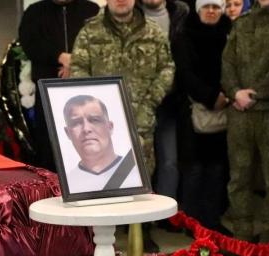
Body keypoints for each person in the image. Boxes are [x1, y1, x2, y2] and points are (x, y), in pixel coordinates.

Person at [69, 0, 175, 180]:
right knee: (101, 181)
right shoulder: (90, 32)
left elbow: (167, 68)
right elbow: (78, 68)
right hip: (100, 126)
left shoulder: (153, 31)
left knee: (140, 182)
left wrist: (149, 105)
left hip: (140, 124)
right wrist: (94, 107)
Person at [222, 0, 269, 243]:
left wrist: (255, 94)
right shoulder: (243, 23)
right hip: (239, 111)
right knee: (239, 176)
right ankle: (241, 234)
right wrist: (235, 92)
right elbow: (228, 62)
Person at [18, 0, 99, 171]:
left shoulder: (91, 10)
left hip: (85, 91)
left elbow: (99, 44)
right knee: (49, 147)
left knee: (87, 142)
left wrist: (74, 63)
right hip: (48, 92)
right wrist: (59, 57)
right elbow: (30, 44)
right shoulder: (34, 12)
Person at [173, 0, 231, 232]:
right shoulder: (184, 35)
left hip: (224, 110)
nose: (211, 11)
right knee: (194, 169)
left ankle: (212, 221)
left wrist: (225, 95)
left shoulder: (229, 33)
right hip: (192, 111)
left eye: (216, 7)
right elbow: (184, 73)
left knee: (217, 169)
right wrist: (210, 97)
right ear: (198, 9)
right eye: (206, 6)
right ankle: (192, 223)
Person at [140, 0, 189, 202]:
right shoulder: (130, 13)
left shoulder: (180, 12)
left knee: (169, 162)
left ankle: (166, 212)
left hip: (170, 103)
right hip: (138, 105)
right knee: (140, 163)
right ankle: (140, 215)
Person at [63, 95, 142, 193]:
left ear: (110, 127)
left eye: (94, 120)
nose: (86, 129)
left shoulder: (138, 174)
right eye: (76, 123)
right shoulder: (65, 186)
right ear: (67, 133)